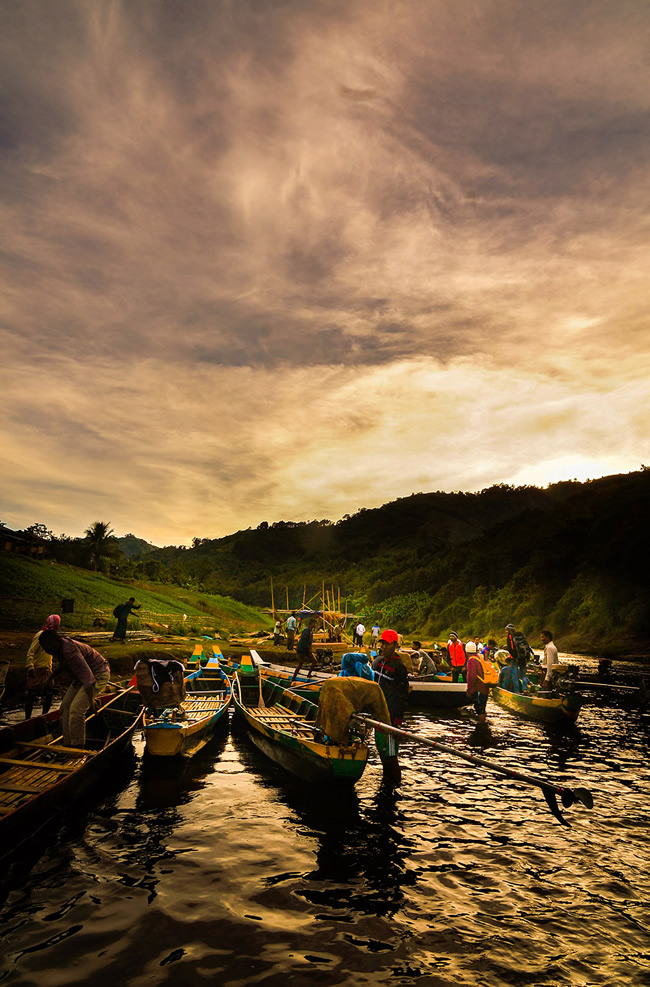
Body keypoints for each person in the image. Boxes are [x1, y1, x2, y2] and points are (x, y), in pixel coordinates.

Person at [39, 630, 111, 747]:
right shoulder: (59, 648)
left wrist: (91, 701)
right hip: (81, 678)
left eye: (50, 649)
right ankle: (68, 743)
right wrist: (50, 678)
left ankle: (78, 745)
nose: (49, 652)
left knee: (76, 710)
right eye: (47, 650)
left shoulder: (70, 651)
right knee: (65, 708)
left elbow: (89, 679)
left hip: (98, 674)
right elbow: (63, 665)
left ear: (57, 642)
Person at [371, 629, 410, 785]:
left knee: (391, 755)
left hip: (390, 716)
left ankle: (394, 784)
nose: (384, 647)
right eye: (382, 644)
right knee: (382, 750)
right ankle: (386, 780)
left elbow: (402, 695)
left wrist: (397, 720)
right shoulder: (379, 663)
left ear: (394, 644)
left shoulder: (398, 667)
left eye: (387, 644)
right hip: (378, 714)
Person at [24, 614, 58, 718]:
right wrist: (30, 666)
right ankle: (27, 719)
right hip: (37, 670)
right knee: (31, 695)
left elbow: (50, 655)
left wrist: (51, 668)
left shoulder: (51, 637)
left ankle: (44, 717)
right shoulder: (40, 635)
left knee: (49, 694)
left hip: (47, 670)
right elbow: (31, 652)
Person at [466, 648, 490, 721]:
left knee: (479, 710)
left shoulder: (471, 660)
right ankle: (485, 727)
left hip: (478, 688)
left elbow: (472, 677)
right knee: (482, 708)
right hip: (485, 686)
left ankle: (481, 728)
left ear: (467, 652)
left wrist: (469, 690)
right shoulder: (480, 657)